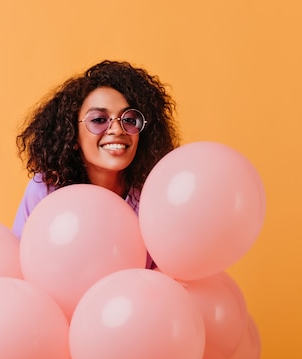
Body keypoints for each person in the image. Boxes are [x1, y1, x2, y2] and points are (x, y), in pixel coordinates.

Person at [12, 60, 180, 240]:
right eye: (99, 120)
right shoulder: (45, 190)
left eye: (129, 120)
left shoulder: (156, 194)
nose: (117, 129)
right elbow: (20, 259)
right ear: (73, 135)